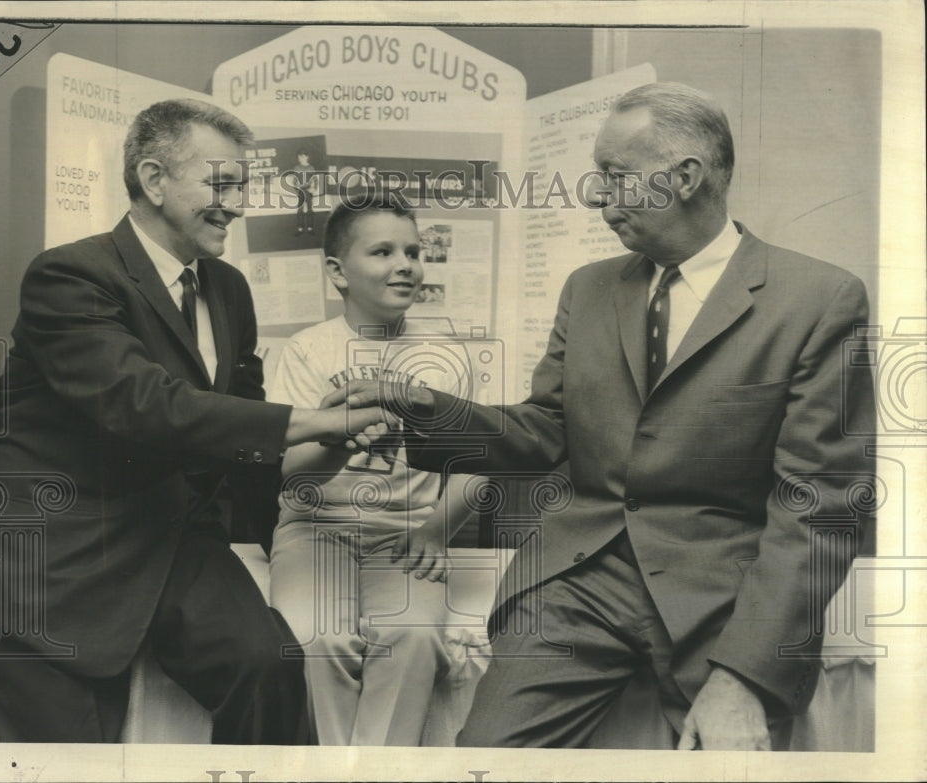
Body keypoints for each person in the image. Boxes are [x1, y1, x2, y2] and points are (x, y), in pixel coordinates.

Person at [331, 82, 877, 750]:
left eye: (613, 176)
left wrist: (741, 675)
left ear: (685, 177)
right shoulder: (588, 290)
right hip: (575, 584)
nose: (594, 196)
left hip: (722, 600)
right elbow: (544, 432)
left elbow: (821, 504)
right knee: (484, 761)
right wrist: (419, 405)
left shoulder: (818, 299)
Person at [0, 98, 390, 744]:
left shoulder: (230, 290)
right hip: (51, 562)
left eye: (242, 185)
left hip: (173, 538)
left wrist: (336, 445)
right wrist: (316, 418)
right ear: (153, 180)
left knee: (271, 666)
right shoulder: (69, 276)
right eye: (222, 182)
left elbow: (245, 448)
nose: (237, 203)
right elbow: (146, 404)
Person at [266, 199, 480, 745]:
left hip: (408, 534)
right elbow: (291, 475)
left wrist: (438, 529)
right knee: (317, 636)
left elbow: (481, 464)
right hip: (315, 530)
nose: (405, 263)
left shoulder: (446, 354)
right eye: (382, 251)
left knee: (411, 634)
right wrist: (339, 438)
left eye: (413, 251)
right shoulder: (305, 351)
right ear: (338, 271)